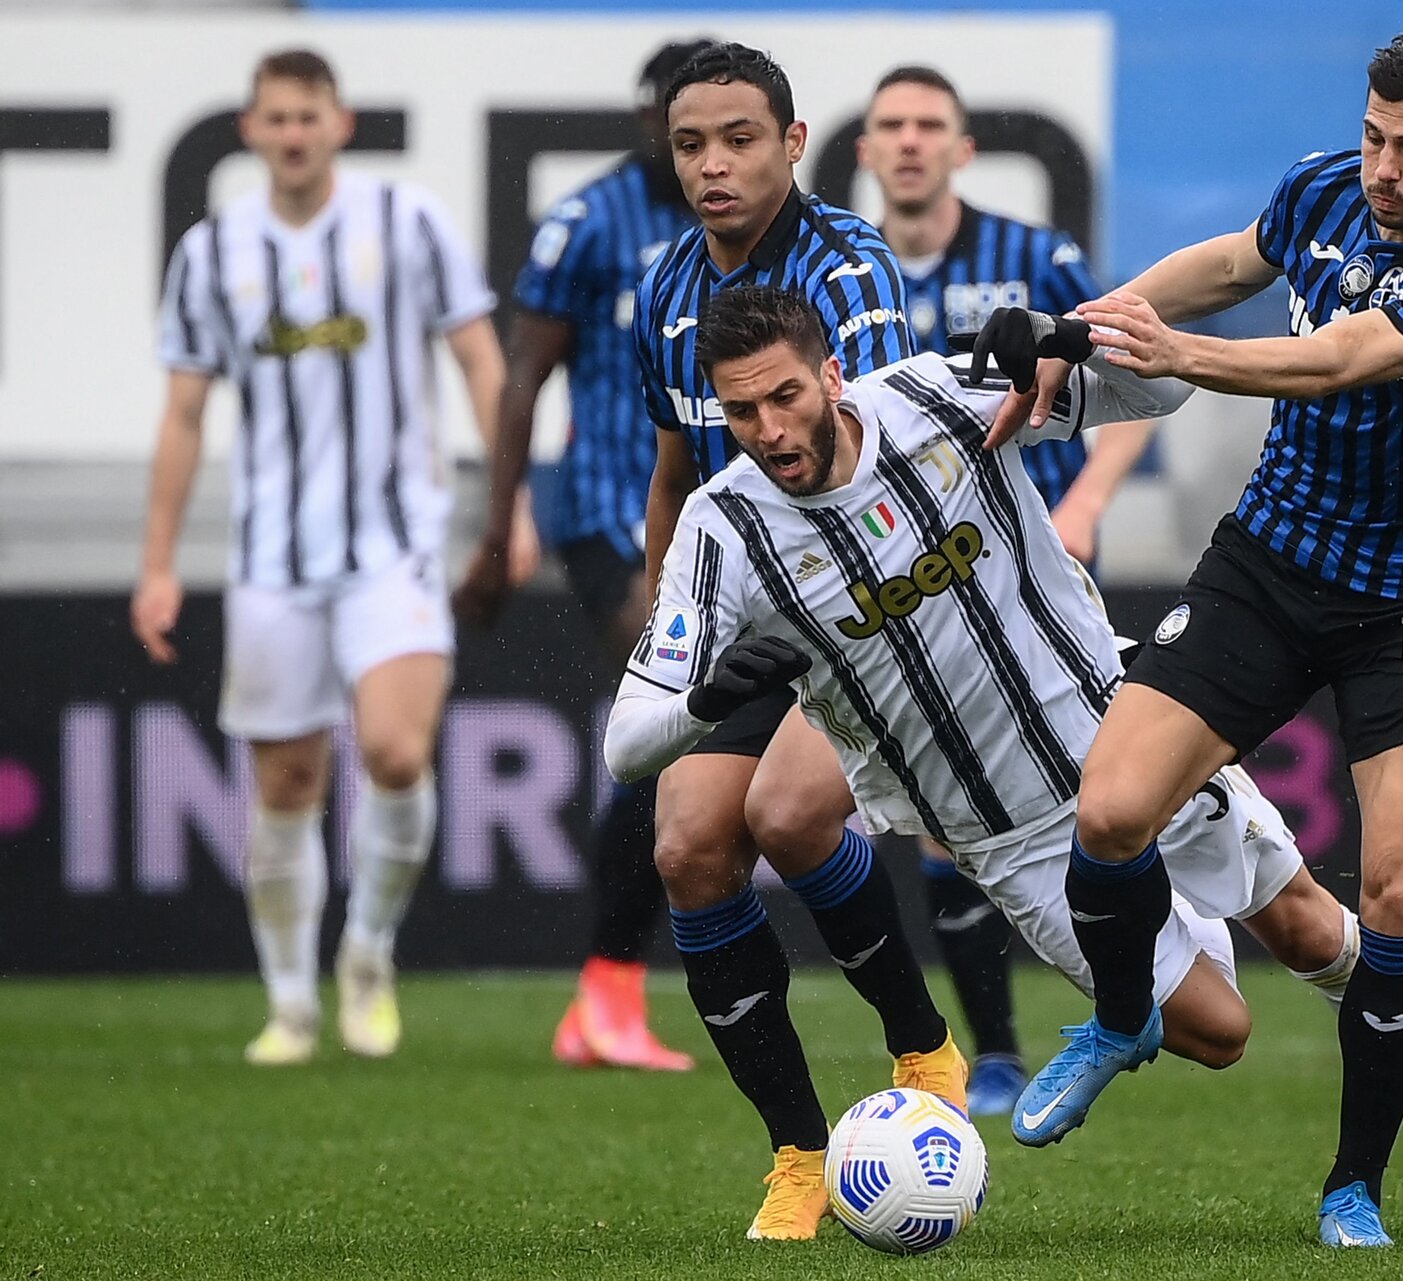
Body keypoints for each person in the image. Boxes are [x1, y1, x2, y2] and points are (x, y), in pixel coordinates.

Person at [603, 286, 1403, 1241]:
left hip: (1127, 743)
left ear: (831, 373)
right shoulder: (723, 531)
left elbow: (1163, 395)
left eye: (785, 397)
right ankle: (1144, 955)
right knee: (1220, 1033)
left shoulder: (939, 397)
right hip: (1011, 839)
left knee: (1312, 931)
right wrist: (709, 699)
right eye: (740, 411)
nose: (769, 428)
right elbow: (628, 739)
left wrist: (1069, 341)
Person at [992, 27, 1403, 1245]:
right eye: (1374, 136)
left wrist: (1178, 359)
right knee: (1109, 815)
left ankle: (1353, 1186)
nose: (1381, 168)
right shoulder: (1323, 184)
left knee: (1401, 896)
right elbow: (1218, 266)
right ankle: (1119, 1016)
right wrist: (1083, 327)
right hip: (1270, 565)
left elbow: (1340, 360)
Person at [132, 49, 529, 1065]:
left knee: (396, 752)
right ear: (252, 131)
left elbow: (482, 361)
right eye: (277, 118)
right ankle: (289, 1003)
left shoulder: (407, 224)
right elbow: (184, 412)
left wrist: (507, 507)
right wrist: (159, 563)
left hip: (395, 543)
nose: (295, 133)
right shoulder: (213, 250)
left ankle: (366, 951)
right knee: (288, 781)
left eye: (310, 115)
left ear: (341, 123)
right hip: (272, 556)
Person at [628, 42, 960, 1241]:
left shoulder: (850, 272)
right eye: (690, 145)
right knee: (685, 850)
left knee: (784, 815)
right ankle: (800, 1155)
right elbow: (674, 473)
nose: (714, 166)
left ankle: (923, 1052)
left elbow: (866, 466)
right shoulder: (666, 290)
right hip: (744, 618)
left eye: (739, 140)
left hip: (871, 605)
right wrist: (668, 624)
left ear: (792, 144)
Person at [856, 64, 1161, 1114]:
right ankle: (996, 1050)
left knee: (1108, 788)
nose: (907, 141)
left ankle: (1151, 989)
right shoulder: (854, 278)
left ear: (961, 148)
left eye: (927, 124)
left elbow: (1125, 387)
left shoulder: (1034, 258)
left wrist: (1085, 510)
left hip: (1049, 560)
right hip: (930, 577)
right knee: (955, 809)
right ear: (863, 150)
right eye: (889, 125)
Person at [453, 39, 718, 1072]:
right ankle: (607, 989)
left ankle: (606, 997)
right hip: (613, 515)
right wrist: (496, 529)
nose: (682, 140)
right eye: (668, 116)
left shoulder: (751, 223)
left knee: (674, 741)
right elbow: (522, 380)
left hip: (729, 526)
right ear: (645, 115)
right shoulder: (591, 223)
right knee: (681, 710)